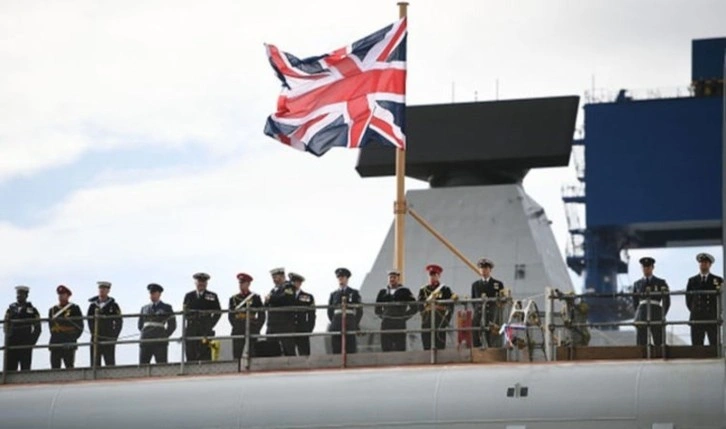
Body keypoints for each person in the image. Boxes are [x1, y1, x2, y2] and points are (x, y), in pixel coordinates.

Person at [686, 253, 724, 346]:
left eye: (706, 262)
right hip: (697, 316)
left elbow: (722, 298)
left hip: (712, 316)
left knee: (714, 345)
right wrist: (695, 310)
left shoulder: (717, 280)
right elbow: (688, 300)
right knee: (697, 345)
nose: (703, 264)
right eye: (701, 262)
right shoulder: (692, 280)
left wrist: (718, 312)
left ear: (710, 265)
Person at [375, 270, 417, 352]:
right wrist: (384, 316)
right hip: (387, 323)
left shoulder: (405, 291)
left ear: (398, 278)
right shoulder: (383, 292)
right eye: (390, 277)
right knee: (386, 346)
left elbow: (414, 307)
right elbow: (377, 309)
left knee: (400, 346)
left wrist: (404, 317)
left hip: (399, 322)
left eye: (394, 277)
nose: (392, 279)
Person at [183, 272, 221, 361]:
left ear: (206, 283)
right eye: (199, 281)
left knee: (205, 355)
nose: (201, 284)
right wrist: (192, 318)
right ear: (195, 283)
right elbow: (185, 312)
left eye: (203, 282)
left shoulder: (212, 296)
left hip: (205, 329)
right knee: (191, 355)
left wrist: (210, 324)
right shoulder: (189, 296)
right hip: (192, 329)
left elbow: (218, 312)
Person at [632, 257, 670, 346]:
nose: (646, 269)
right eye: (644, 267)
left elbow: (667, 300)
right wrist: (638, 314)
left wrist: (662, 314)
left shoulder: (661, 282)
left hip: (656, 312)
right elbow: (635, 302)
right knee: (641, 342)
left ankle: (660, 353)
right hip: (642, 314)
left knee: (659, 340)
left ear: (652, 267)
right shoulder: (637, 284)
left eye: (648, 267)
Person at [418, 264, 457, 350]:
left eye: (434, 275)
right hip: (427, 320)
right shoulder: (423, 290)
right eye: (430, 275)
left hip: (440, 320)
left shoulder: (445, 289)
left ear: (439, 276)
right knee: (427, 344)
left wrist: (446, 320)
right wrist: (424, 317)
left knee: (440, 344)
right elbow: (420, 305)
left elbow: (451, 305)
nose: (432, 277)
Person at [3, 286, 41, 371]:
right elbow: (6, 324)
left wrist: (31, 342)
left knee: (25, 368)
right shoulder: (10, 309)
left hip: (25, 343)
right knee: (10, 369)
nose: (19, 296)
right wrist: (8, 337)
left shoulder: (32, 310)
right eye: (18, 294)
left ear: (26, 295)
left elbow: (38, 328)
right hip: (12, 342)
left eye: (21, 294)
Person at [228, 273, 265, 359]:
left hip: (252, 327)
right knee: (237, 354)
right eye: (240, 283)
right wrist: (236, 326)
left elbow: (262, 314)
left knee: (252, 353)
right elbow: (231, 316)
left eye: (243, 283)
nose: (241, 285)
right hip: (238, 328)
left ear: (248, 284)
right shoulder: (233, 298)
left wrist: (257, 327)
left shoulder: (255, 297)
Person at [87, 281, 123, 366]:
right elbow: (89, 320)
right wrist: (93, 332)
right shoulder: (93, 306)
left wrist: (114, 336)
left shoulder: (113, 305)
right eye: (100, 288)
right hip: (96, 337)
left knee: (109, 362)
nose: (102, 290)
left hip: (108, 336)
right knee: (95, 362)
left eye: (104, 288)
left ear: (108, 290)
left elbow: (119, 321)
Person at [138, 283, 176, 364]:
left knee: (161, 365)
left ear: (159, 294)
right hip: (146, 340)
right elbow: (140, 325)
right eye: (150, 293)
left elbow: (172, 325)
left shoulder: (166, 307)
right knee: (143, 365)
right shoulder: (144, 308)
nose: (152, 295)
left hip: (160, 341)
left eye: (154, 293)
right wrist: (146, 333)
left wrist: (164, 335)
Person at [471, 258, 505, 348]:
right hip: (479, 313)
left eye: (486, 268)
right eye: (481, 268)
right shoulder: (475, 285)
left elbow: (502, 300)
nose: (483, 270)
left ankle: (492, 349)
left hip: (492, 313)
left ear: (490, 270)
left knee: (491, 335)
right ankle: (477, 349)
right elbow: (473, 300)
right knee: (476, 331)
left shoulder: (498, 284)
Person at [327, 268, 363, 354]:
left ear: (347, 278)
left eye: (342, 277)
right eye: (339, 278)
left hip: (349, 322)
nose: (340, 279)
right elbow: (330, 311)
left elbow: (359, 310)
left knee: (350, 347)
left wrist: (355, 323)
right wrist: (333, 321)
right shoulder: (333, 294)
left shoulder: (354, 293)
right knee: (336, 347)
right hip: (337, 323)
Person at [48, 285, 83, 369]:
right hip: (56, 342)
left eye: (63, 294)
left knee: (69, 367)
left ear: (68, 296)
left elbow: (79, 326)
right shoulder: (53, 310)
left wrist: (69, 332)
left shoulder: (74, 309)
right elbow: (52, 328)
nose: (61, 296)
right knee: (55, 368)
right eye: (59, 294)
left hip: (69, 342)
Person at [265, 267, 297, 356]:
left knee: (288, 349)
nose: (274, 279)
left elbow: (286, 298)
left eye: (276, 277)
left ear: (282, 276)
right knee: (271, 349)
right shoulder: (273, 290)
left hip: (285, 324)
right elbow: (267, 304)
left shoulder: (289, 286)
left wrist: (271, 299)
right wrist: (267, 301)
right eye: (273, 277)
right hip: (273, 325)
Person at [290, 272, 316, 356]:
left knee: (304, 353)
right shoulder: (286, 296)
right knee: (289, 353)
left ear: (300, 283)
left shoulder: (308, 297)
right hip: (289, 327)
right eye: (292, 282)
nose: (294, 284)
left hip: (302, 327)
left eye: (296, 282)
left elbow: (312, 314)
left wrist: (309, 328)